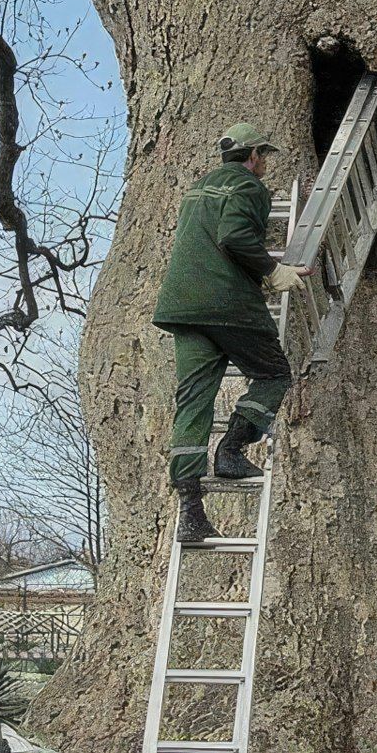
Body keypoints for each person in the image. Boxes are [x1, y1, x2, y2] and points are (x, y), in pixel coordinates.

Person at [152, 123, 312, 543]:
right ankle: (233, 449)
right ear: (253, 155)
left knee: (192, 403)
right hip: (227, 304)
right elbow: (235, 237)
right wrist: (274, 270)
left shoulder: (196, 191)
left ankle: (191, 511)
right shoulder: (249, 187)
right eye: (264, 155)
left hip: (183, 308)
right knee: (274, 374)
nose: (264, 164)